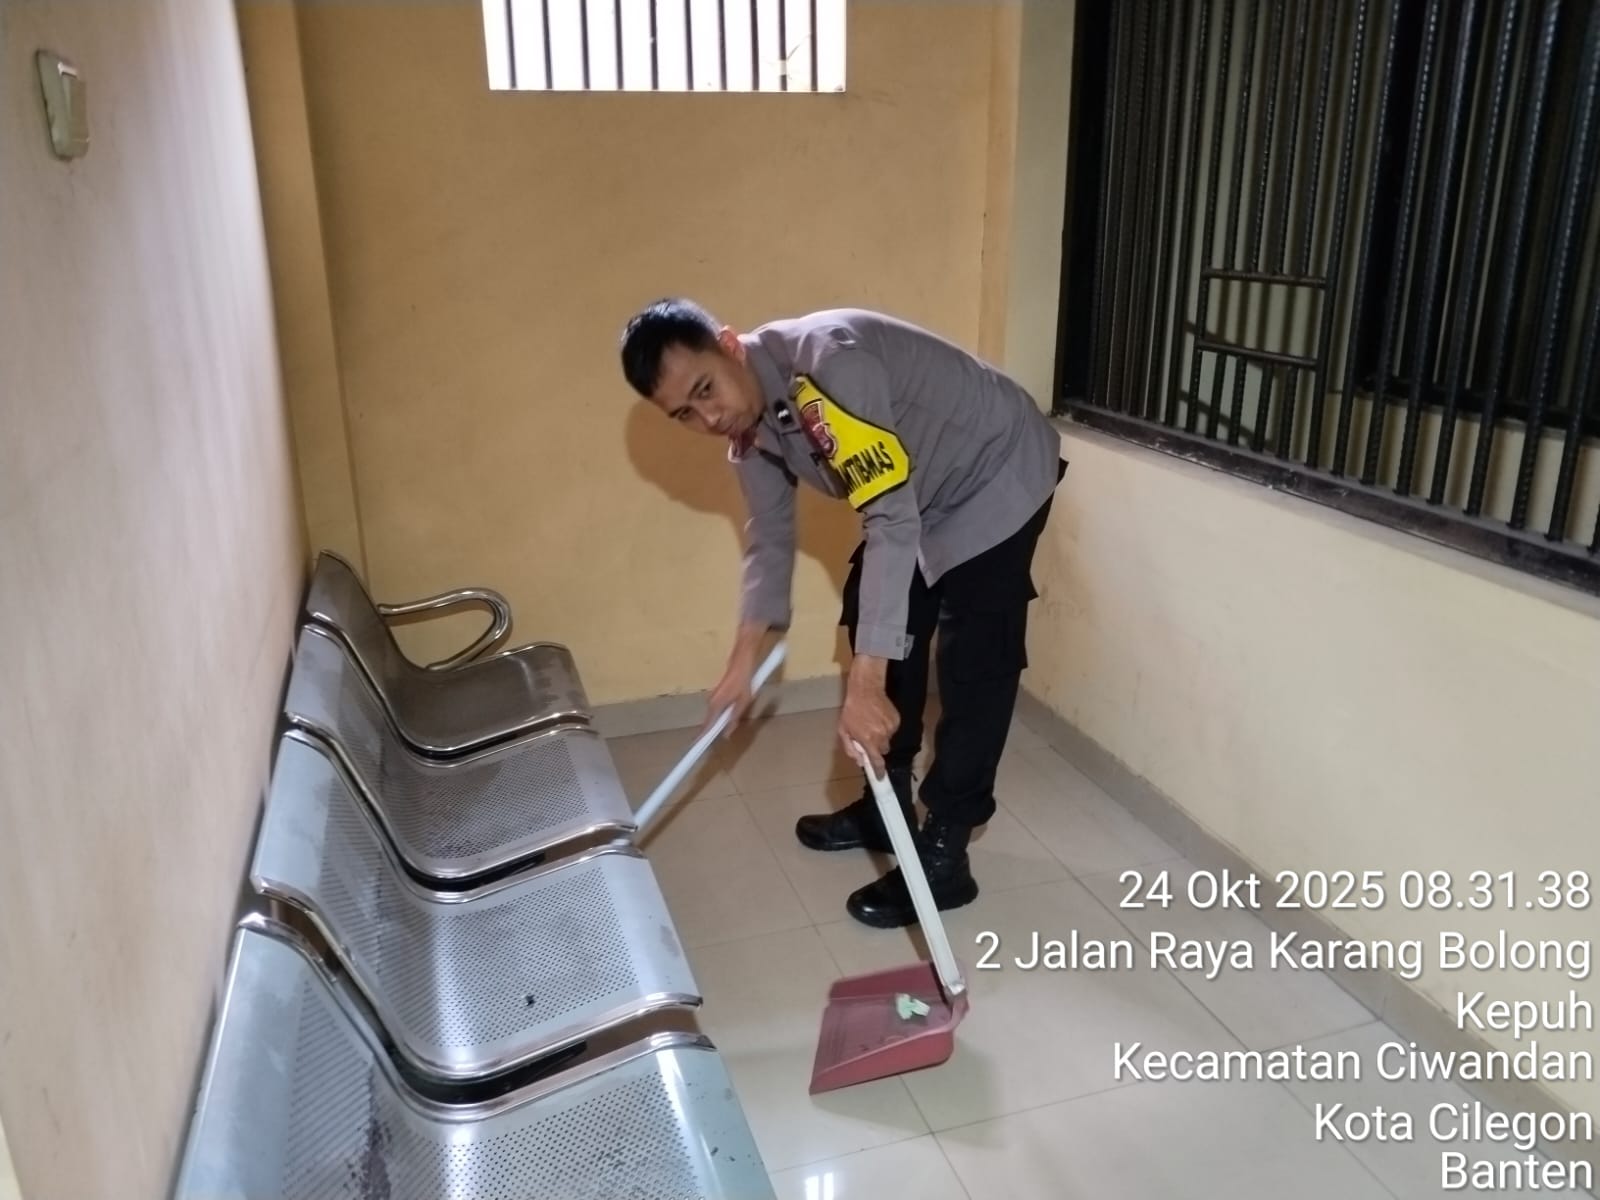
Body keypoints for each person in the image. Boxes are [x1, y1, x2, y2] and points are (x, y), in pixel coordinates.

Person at [619, 300, 1065, 929]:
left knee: (974, 653)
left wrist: (866, 683)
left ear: (729, 345)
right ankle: (886, 806)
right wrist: (741, 664)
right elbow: (769, 538)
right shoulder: (750, 428)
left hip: (994, 468)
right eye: (685, 414)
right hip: (922, 492)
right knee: (873, 609)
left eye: (705, 389)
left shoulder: (829, 367)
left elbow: (890, 518)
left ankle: (946, 849)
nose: (709, 417)